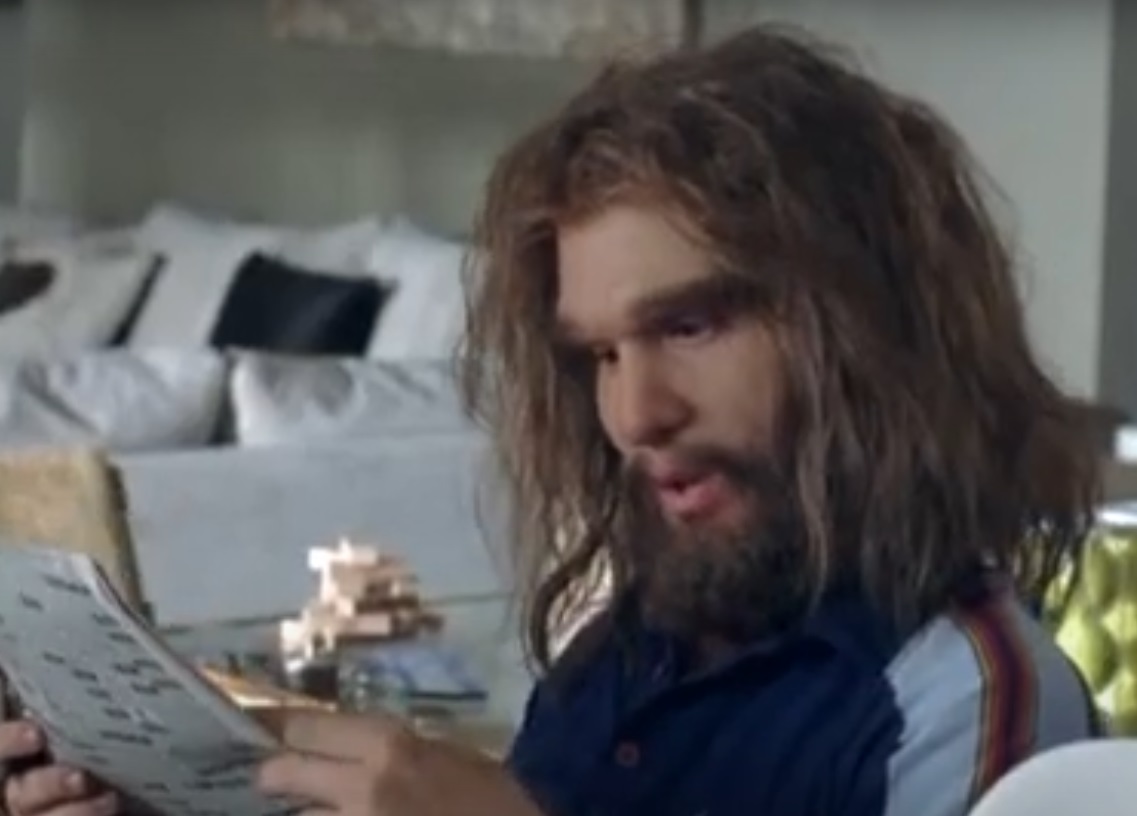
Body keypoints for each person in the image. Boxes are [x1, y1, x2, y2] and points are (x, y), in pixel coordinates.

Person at [0, 22, 1104, 816]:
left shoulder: (971, 696)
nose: (635, 414)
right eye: (598, 356)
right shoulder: (624, 649)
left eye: (690, 325)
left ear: (867, 323)